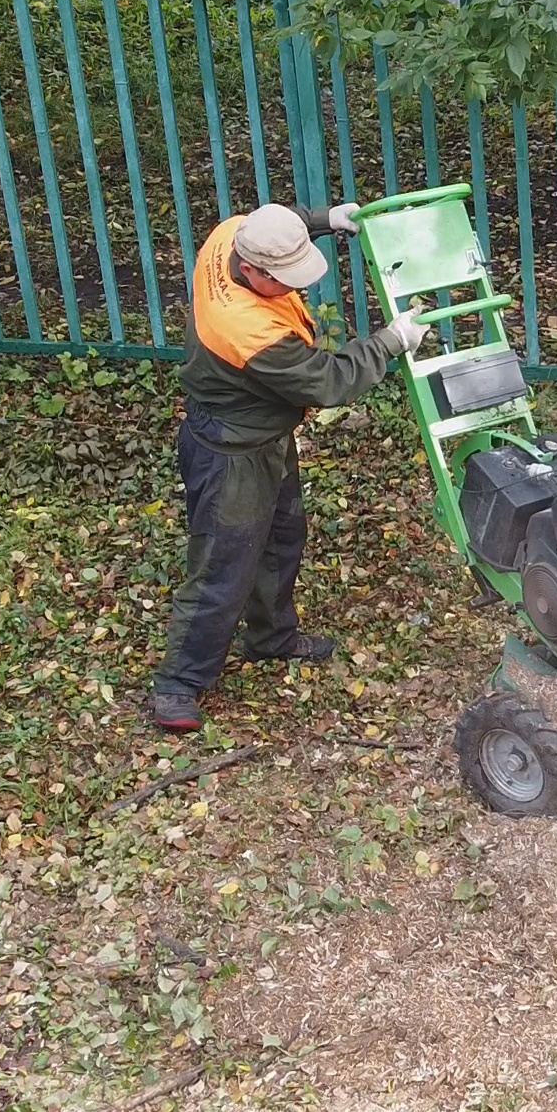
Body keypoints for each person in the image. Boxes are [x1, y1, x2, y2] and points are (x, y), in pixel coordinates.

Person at [152, 203, 428, 732]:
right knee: (221, 567)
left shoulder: (231, 236)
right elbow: (328, 381)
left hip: (266, 435)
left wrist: (326, 219)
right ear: (253, 271)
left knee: (281, 538)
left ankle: (272, 639)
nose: (295, 288)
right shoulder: (246, 328)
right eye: (286, 279)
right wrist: (392, 341)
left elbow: (277, 217)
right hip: (231, 450)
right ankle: (178, 686)